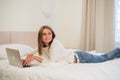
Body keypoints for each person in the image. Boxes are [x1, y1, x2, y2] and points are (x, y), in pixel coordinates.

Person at [22, 25, 120, 66]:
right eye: (44, 34)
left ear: (52, 34)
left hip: (80, 57)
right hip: (77, 56)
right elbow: (29, 52)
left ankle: (118, 50)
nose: (47, 36)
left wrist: (34, 58)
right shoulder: (42, 46)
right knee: (103, 57)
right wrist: (26, 58)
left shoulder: (55, 44)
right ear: (40, 37)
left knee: (103, 58)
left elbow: (51, 62)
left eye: (49, 33)